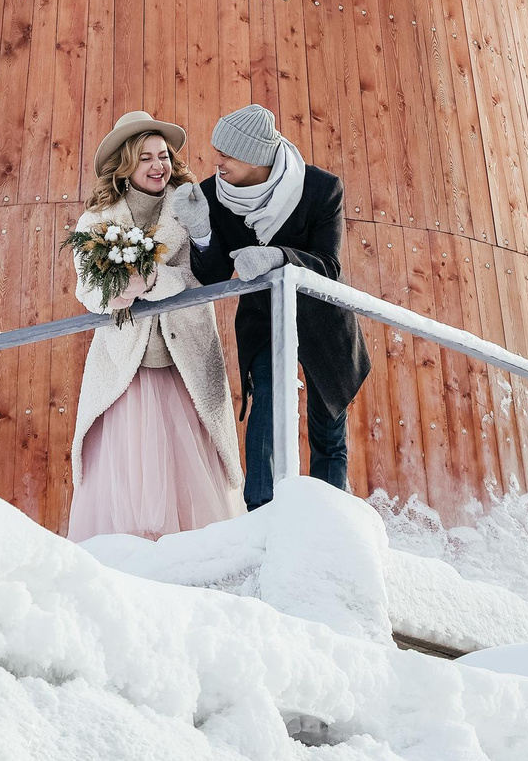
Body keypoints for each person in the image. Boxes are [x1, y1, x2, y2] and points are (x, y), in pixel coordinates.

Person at [65, 110, 244, 541]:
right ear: (125, 165)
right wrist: (117, 287)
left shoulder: (190, 206)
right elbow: (87, 291)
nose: (158, 165)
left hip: (183, 365)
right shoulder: (96, 221)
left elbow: (205, 274)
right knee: (131, 478)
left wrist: (152, 278)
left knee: (188, 476)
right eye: (145, 157)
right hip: (127, 369)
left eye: (163, 155)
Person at [190, 104, 372, 509]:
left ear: (257, 157)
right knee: (268, 409)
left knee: (327, 425)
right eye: (216, 150)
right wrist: (201, 233)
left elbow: (329, 265)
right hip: (262, 318)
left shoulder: (321, 189)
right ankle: (262, 514)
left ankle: (328, 517)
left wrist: (279, 258)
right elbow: (213, 276)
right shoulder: (210, 195)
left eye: (227, 153)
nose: (216, 160)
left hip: (323, 320)